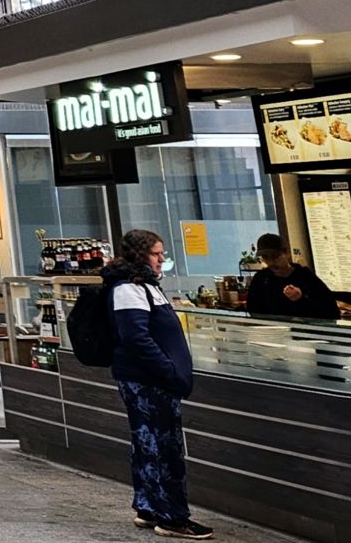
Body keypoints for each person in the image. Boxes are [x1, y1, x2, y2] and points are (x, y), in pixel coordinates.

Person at [105, 229, 211, 539]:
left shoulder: (145, 286)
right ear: (140, 255)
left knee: (148, 444)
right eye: (156, 253)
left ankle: (150, 508)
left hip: (151, 379)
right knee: (164, 448)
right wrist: (168, 371)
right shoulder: (129, 288)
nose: (162, 258)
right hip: (149, 382)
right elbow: (136, 337)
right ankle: (173, 517)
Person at [245, 233, 340, 320]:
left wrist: (301, 298)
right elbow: (253, 309)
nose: (271, 261)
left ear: (286, 253)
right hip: (274, 334)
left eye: (275, 256)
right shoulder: (261, 279)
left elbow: (331, 311)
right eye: (266, 257)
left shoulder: (304, 276)